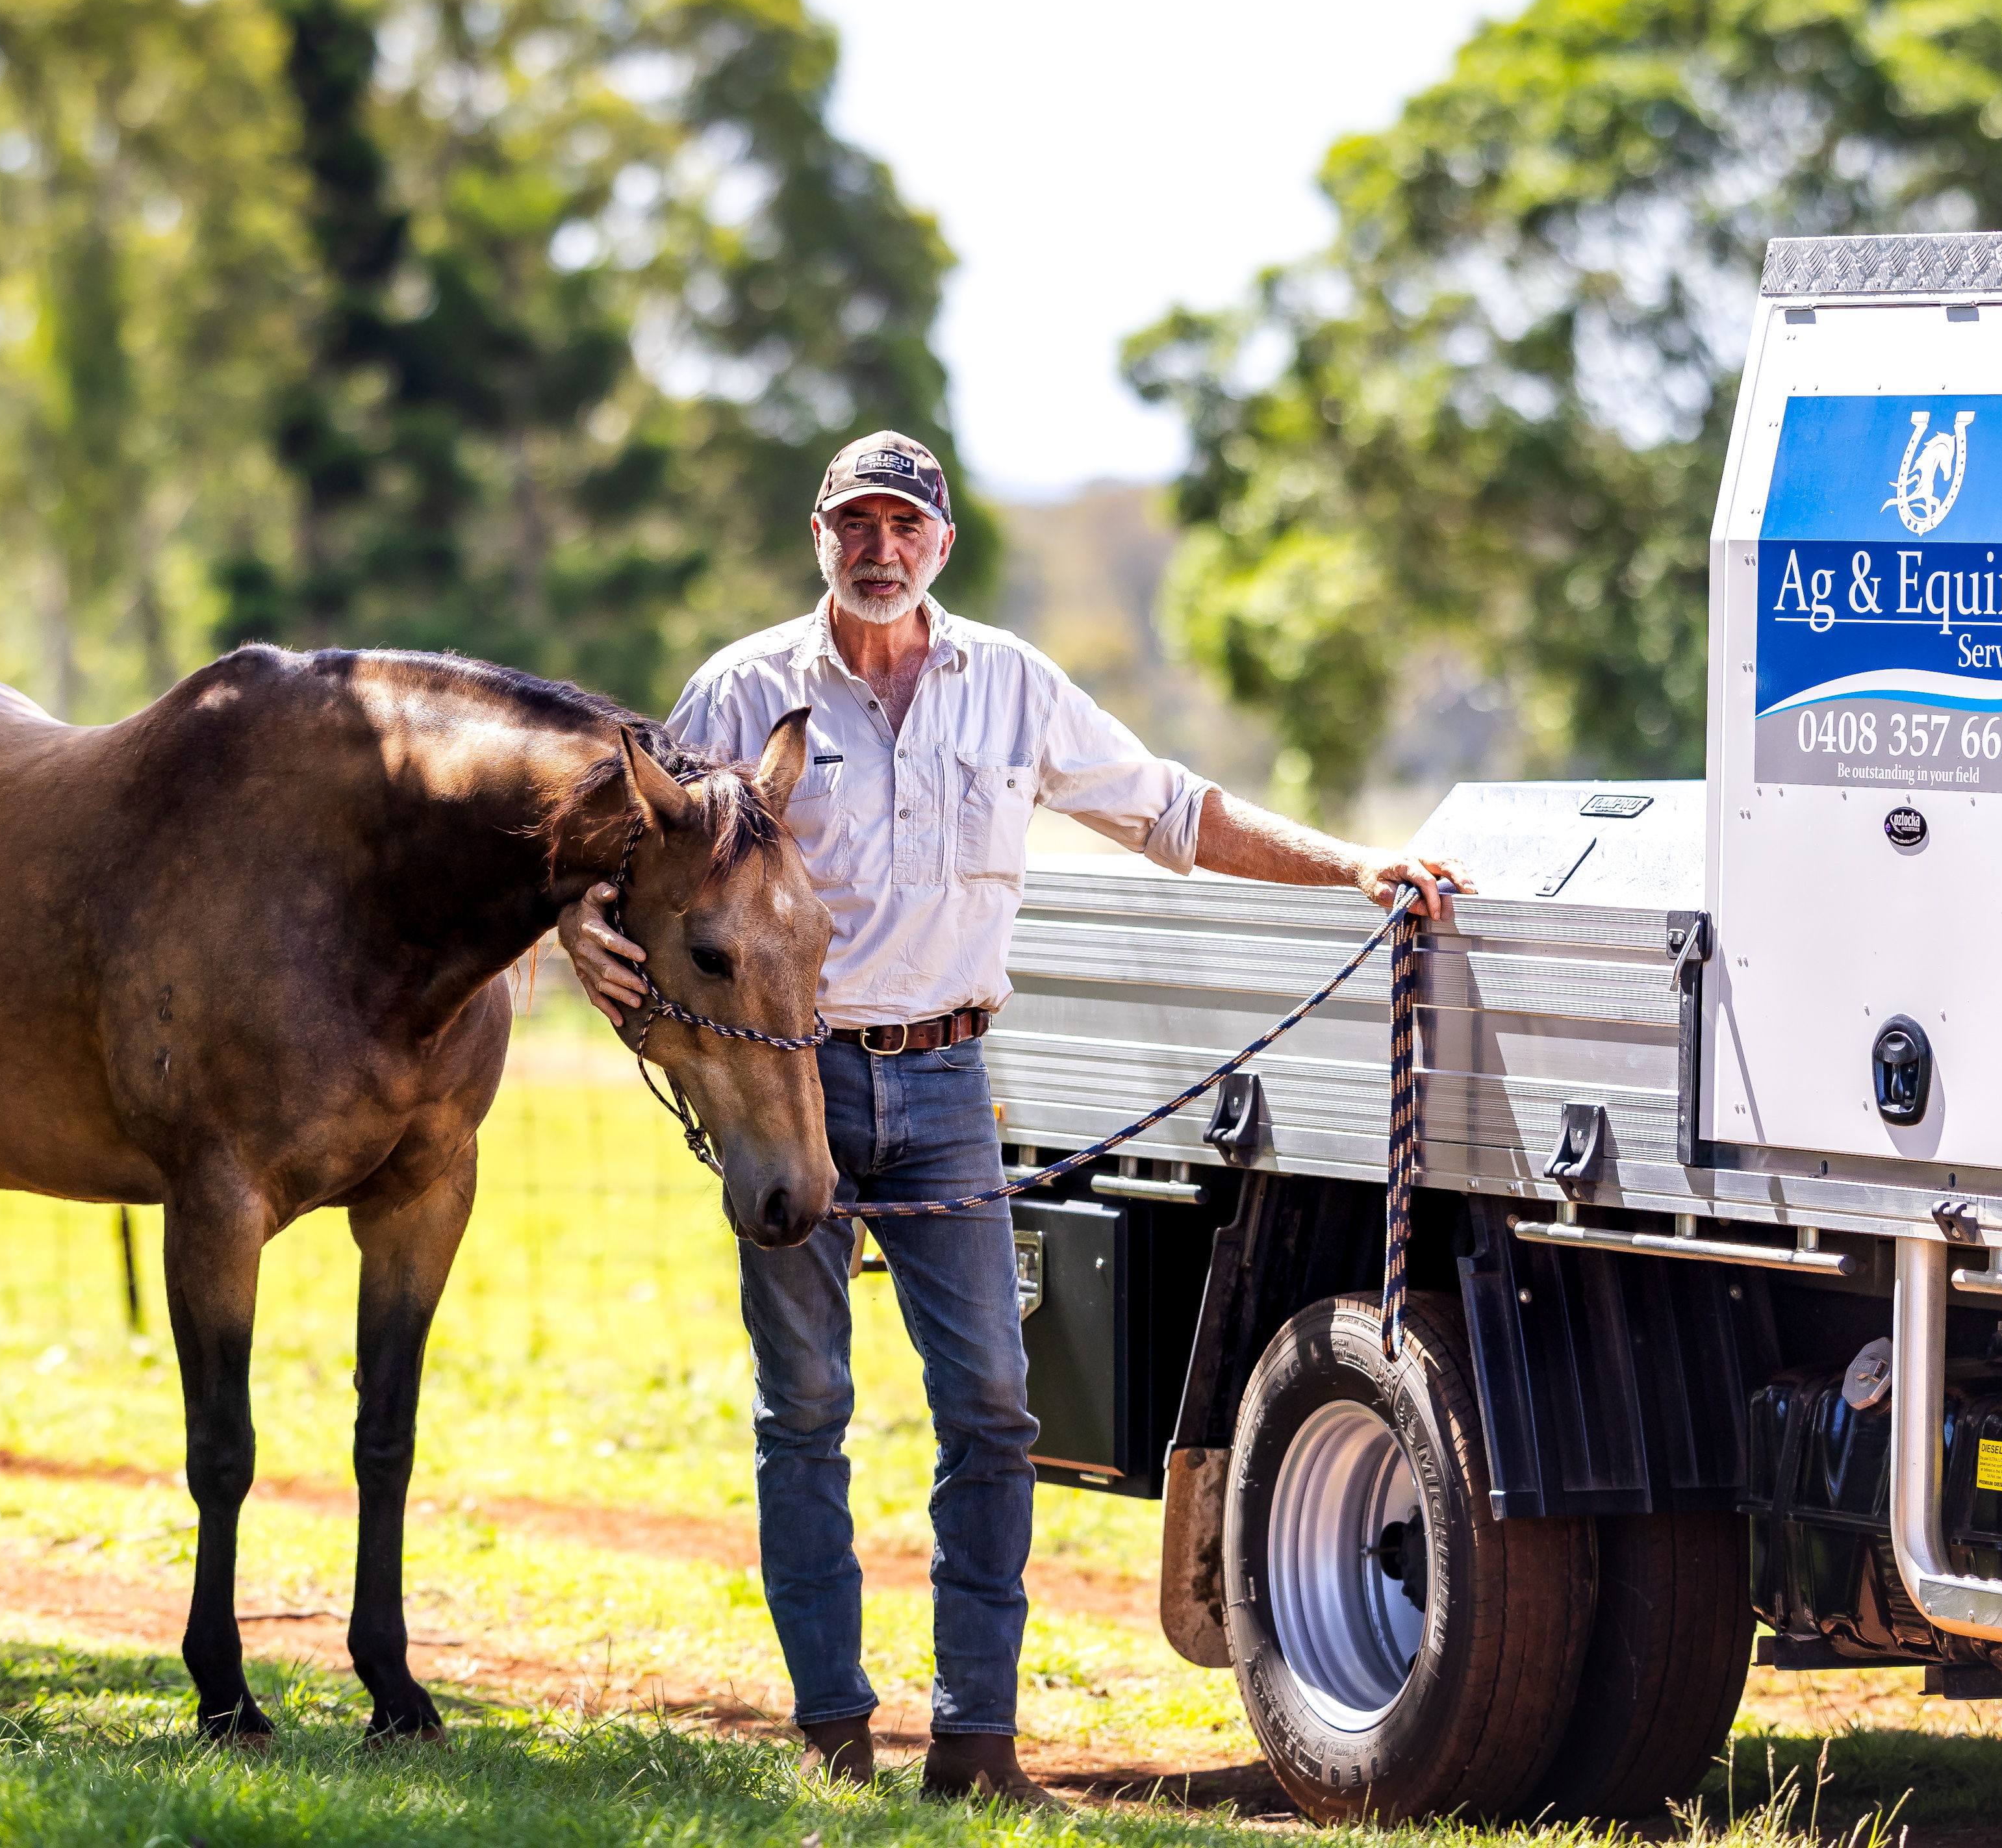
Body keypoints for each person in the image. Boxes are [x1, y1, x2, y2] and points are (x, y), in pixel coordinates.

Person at [557, 431, 1462, 1808]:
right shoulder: (741, 691)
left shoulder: (1013, 688)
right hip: (784, 1085)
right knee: (805, 1406)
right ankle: (831, 1731)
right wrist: (578, 922)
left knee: (991, 1406)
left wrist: (1353, 865)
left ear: (940, 545)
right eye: (855, 522)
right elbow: (621, 838)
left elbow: (1171, 809)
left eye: (903, 526)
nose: (879, 547)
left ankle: (977, 1746)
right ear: (819, 535)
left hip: (944, 1088)